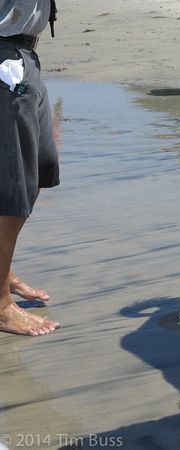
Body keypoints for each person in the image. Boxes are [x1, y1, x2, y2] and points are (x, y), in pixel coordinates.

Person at [1, 0, 61, 335]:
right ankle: (0, 306)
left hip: (24, 54)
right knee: (13, 185)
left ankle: (2, 272)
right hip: (4, 58)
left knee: (40, 166)